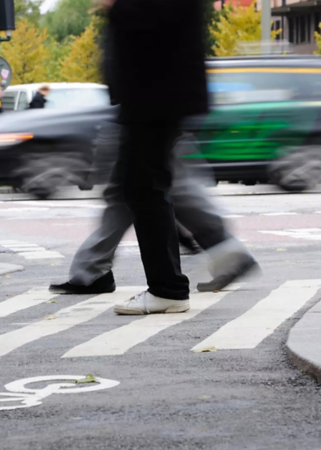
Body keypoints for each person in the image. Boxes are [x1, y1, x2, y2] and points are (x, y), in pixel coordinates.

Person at [49, 127, 258, 296]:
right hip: (142, 112)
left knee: (161, 186)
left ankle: (95, 271)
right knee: (129, 193)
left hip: (149, 113)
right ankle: (92, 270)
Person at [98, 0, 209, 315]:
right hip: (156, 94)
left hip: (156, 94)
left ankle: (168, 289)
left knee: (144, 187)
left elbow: (155, 17)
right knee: (146, 186)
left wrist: (116, 8)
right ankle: (168, 286)